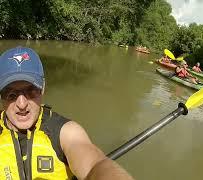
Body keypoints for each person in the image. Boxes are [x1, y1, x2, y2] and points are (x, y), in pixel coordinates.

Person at [0, 47, 134, 180]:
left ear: (43, 87)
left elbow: (96, 164)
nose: (22, 104)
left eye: (31, 91)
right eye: (11, 94)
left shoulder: (65, 132)